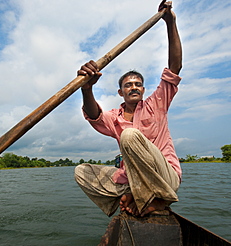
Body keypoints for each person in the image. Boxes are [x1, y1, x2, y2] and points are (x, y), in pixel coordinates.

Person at [75, 0, 182, 217]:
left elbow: (174, 66)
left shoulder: (156, 104)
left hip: (164, 176)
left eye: (137, 84)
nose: (133, 87)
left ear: (143, 90)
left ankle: (159, 199)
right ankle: (136, 193)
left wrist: (170, 23)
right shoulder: (115, 118)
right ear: (120, 93)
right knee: (82, 171)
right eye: (128, 85)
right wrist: (86, 89)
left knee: (130, 136)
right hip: (131, 178)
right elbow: (95, 115)